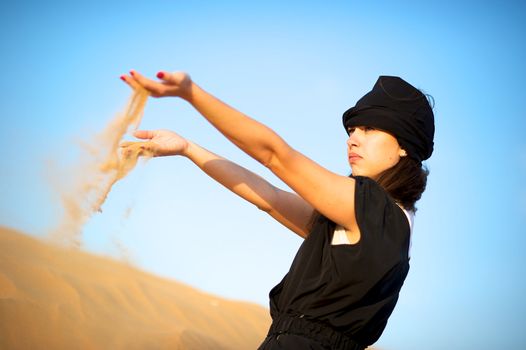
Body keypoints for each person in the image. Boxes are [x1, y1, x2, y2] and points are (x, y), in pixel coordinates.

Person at [120, 70, 435, 349]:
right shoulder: (378, 222)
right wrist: (187, 148)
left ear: (404, 145)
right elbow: (267, 197)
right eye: (352, 130)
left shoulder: (374, 212)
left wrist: (192, 94)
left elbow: (274, 155)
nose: (352, 140)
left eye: (368, 129)